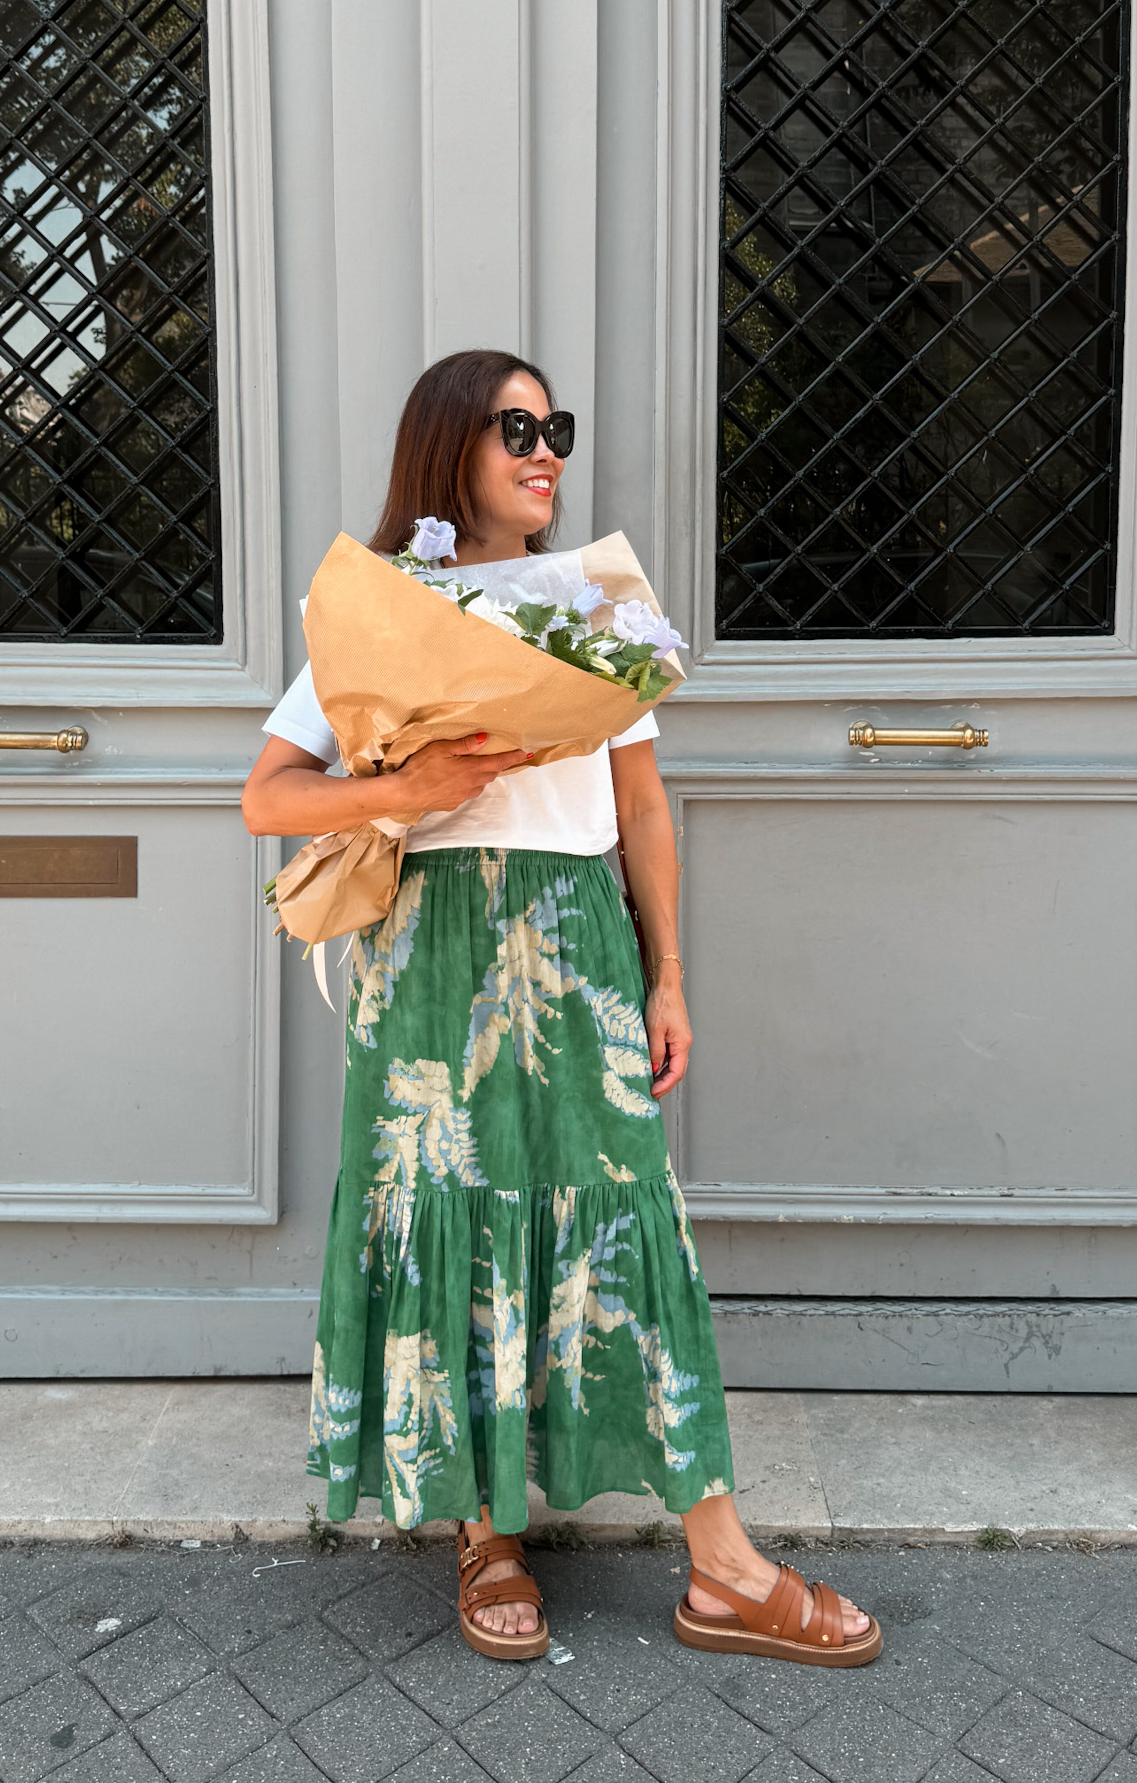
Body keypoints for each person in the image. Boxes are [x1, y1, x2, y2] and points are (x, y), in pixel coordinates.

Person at [242, 349, 880, 1667]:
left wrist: (669, 974)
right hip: (425, 951)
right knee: (460, 1216)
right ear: (448, 450)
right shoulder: (372, 602)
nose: (546, 452)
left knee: (629, 1222)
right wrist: (399, 789)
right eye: (515, 428)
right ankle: (486, 1535)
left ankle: (721, 1564)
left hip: (577, 935)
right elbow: (268, 796)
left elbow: (642, 808)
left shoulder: (594, 604)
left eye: (556, 428)